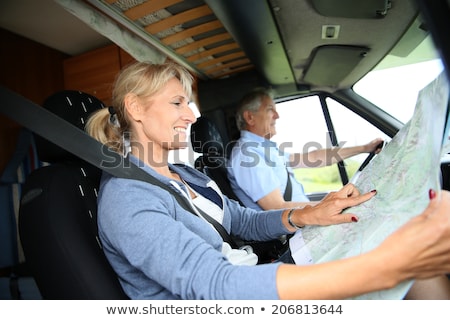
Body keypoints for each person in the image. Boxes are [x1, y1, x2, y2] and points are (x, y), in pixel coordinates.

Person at [86, 61, 450, 300]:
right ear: (135, 108)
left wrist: (307, 215)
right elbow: (215, 285)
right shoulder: (128, 197)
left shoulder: (185, 175)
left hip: (248, 273)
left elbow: (241, 219)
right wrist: (387, 266)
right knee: (415, 272)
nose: (191, 115)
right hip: (232, 294)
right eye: (178, 103)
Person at [227, 87, 384, 210]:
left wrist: (365, 148)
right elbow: (276, 208)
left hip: (303, 221)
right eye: (270, 109)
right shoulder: (247, 154)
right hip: (294, 234)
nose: (277, 116)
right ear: (250, 117)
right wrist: (337, 204)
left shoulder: (263, 149)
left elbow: (314, 158)